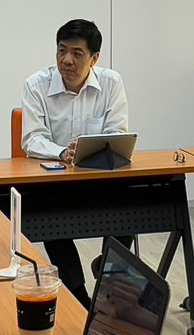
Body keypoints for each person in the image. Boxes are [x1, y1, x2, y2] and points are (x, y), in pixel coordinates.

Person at [20, 19, 131, 307]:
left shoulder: (111, 83)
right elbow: (32, 139)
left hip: (98, 177)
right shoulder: (36, 85)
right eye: (62, 50)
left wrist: (89, 152)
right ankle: (78, 295)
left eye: (77, 53)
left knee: (130, 210)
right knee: (51, 221)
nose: (67, 60)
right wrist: (61, 153)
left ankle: (108, 278)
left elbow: (117, 133)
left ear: (95, 58)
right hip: (54, 181)